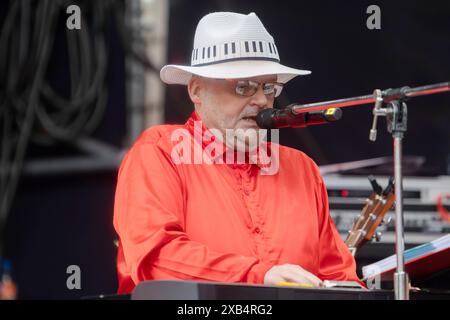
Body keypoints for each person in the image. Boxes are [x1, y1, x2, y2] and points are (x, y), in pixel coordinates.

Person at [113, 11, 359, 294]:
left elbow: (339, 275)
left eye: (269, 87)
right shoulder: (159, 152)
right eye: (243, 87)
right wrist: (259, 276)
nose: (261, 100)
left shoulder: (301, 168)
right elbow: (156, 259)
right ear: (196, 90)